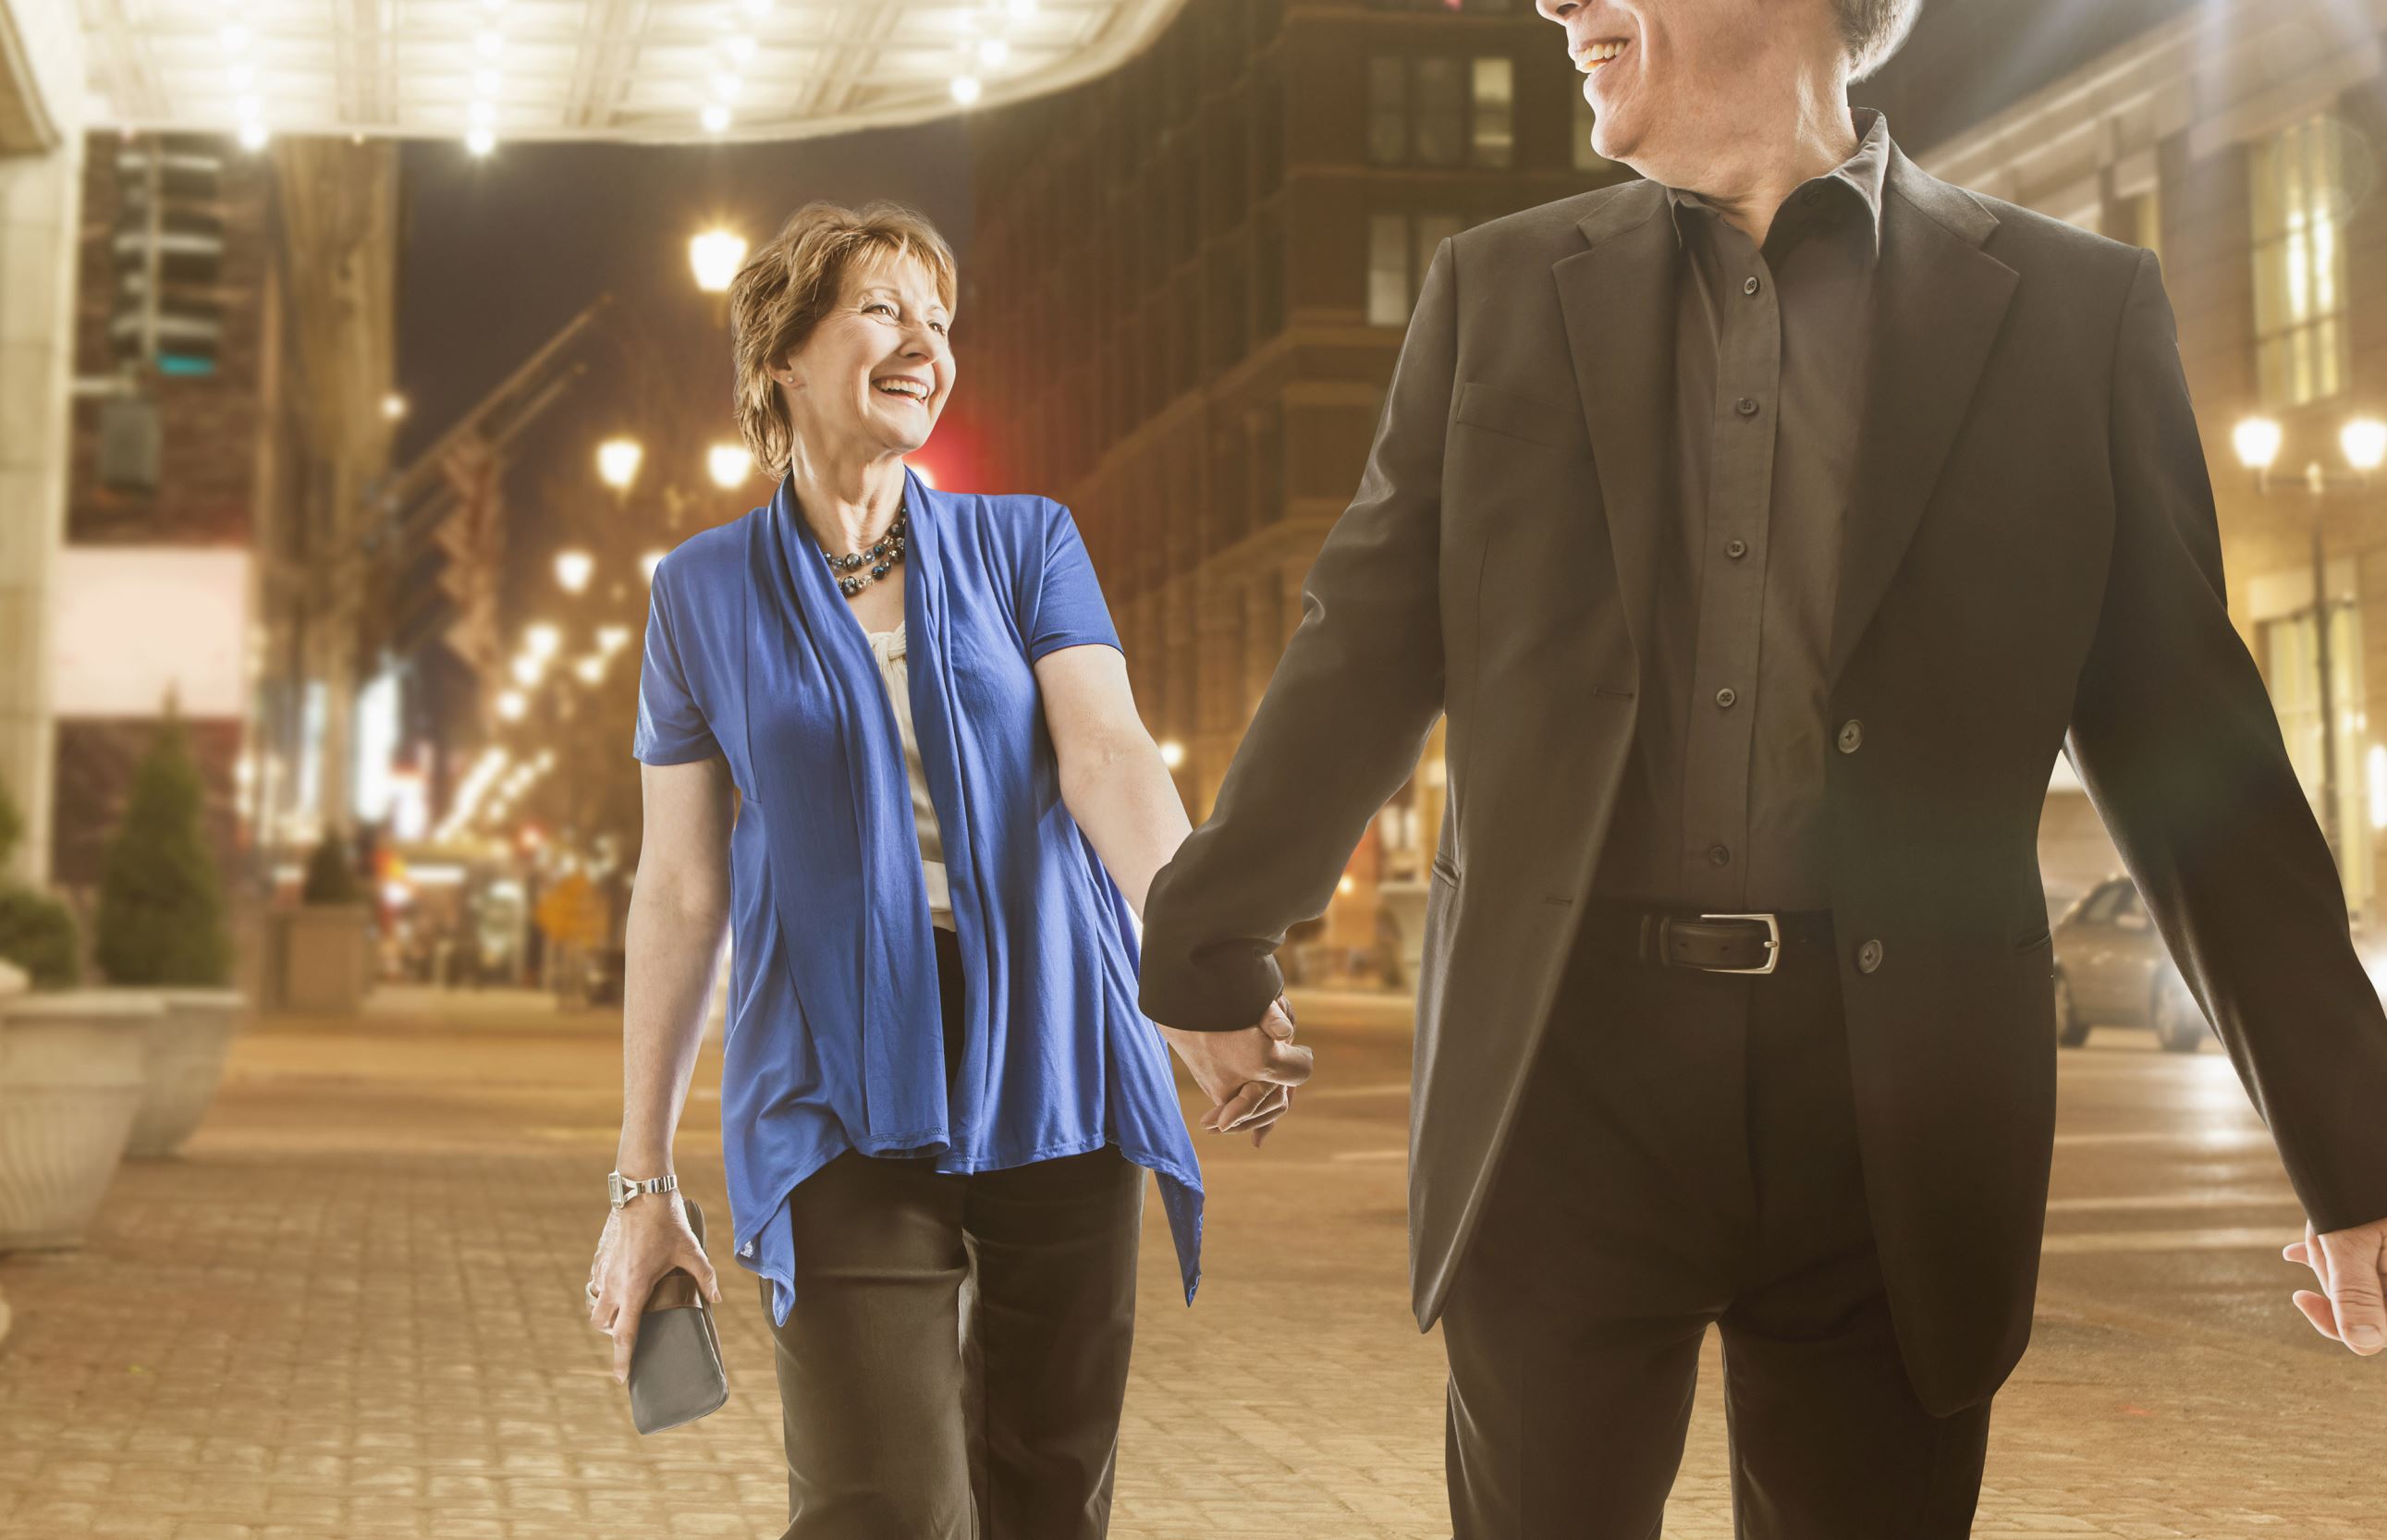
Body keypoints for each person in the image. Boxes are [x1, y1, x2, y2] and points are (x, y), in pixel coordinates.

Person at [1133, 1, 2387, 1535]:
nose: (1556, 5)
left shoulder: (2070, 311)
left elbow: (2200, 763)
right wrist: (1205, 941)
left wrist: (2353, 1151)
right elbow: (1368, 643)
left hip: (1895, 1108)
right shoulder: (1501, 289)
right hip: (1560, 1085)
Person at [581, 200, 1312, 1540]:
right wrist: (643, 1178)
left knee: (1045, 1491)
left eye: (939, 318)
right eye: (881, 308)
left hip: (1057, 1048)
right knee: (885, 1507)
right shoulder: (700, 594)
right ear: (783, 354)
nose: (923, 339)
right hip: (835, 1076)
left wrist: (1197, 968)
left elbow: (1107, 761)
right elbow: (682, 889)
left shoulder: (1027, 543)